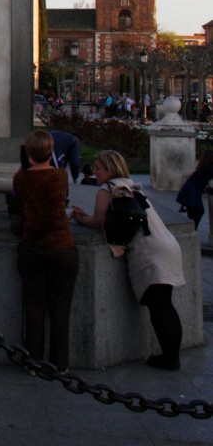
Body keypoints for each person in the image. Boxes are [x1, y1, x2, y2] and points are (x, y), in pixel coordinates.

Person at [72, 150, 185, 370]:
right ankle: (172, 355)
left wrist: (80, 218)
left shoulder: (107, 189)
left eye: (98, 168)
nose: (95, 172)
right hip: (167, 244)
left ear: (110, 169)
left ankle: (170, 358)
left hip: (150, 251)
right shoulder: (130, 185)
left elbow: (98, 221)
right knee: (165, 304)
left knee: (159, 307)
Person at [12, 129, 78, 373]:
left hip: (33, 247)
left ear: (29, 154)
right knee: (61, 308)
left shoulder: (21, 179)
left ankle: (33, 360)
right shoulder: (60, 177)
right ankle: (60, 363)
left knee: (34, 307)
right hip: (62, 247)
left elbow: (20, 202)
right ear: (51, 152)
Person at [176, 151, 213, 229]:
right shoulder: (210, 168)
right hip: (193, 191)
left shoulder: (203, 166)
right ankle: (192, 230)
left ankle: (192, 229)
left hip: (189, 189)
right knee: (198, 212)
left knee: (193, 212)